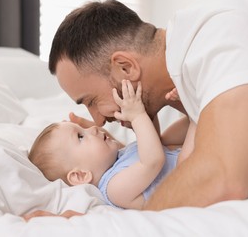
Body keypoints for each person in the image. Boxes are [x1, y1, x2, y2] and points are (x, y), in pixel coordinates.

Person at [46, 0, 248, 211]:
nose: (97, 119)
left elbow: (226, 177)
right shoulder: (191, 73)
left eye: (92, 101)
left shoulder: (218, 35)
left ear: (125, 67)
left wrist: (128, 221)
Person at [28, 80, 182, 210]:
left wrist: (146, 115)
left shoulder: (118, 158)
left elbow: (152, 141)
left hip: (178, 155)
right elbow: (153, 160)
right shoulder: (114, 189)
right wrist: (138, 116)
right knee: (188, 134)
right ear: (81, 175)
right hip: (186, 178)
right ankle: (196, 112)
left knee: (163, 139)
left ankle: (191, 109)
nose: (93, 128)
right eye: (80, 137)